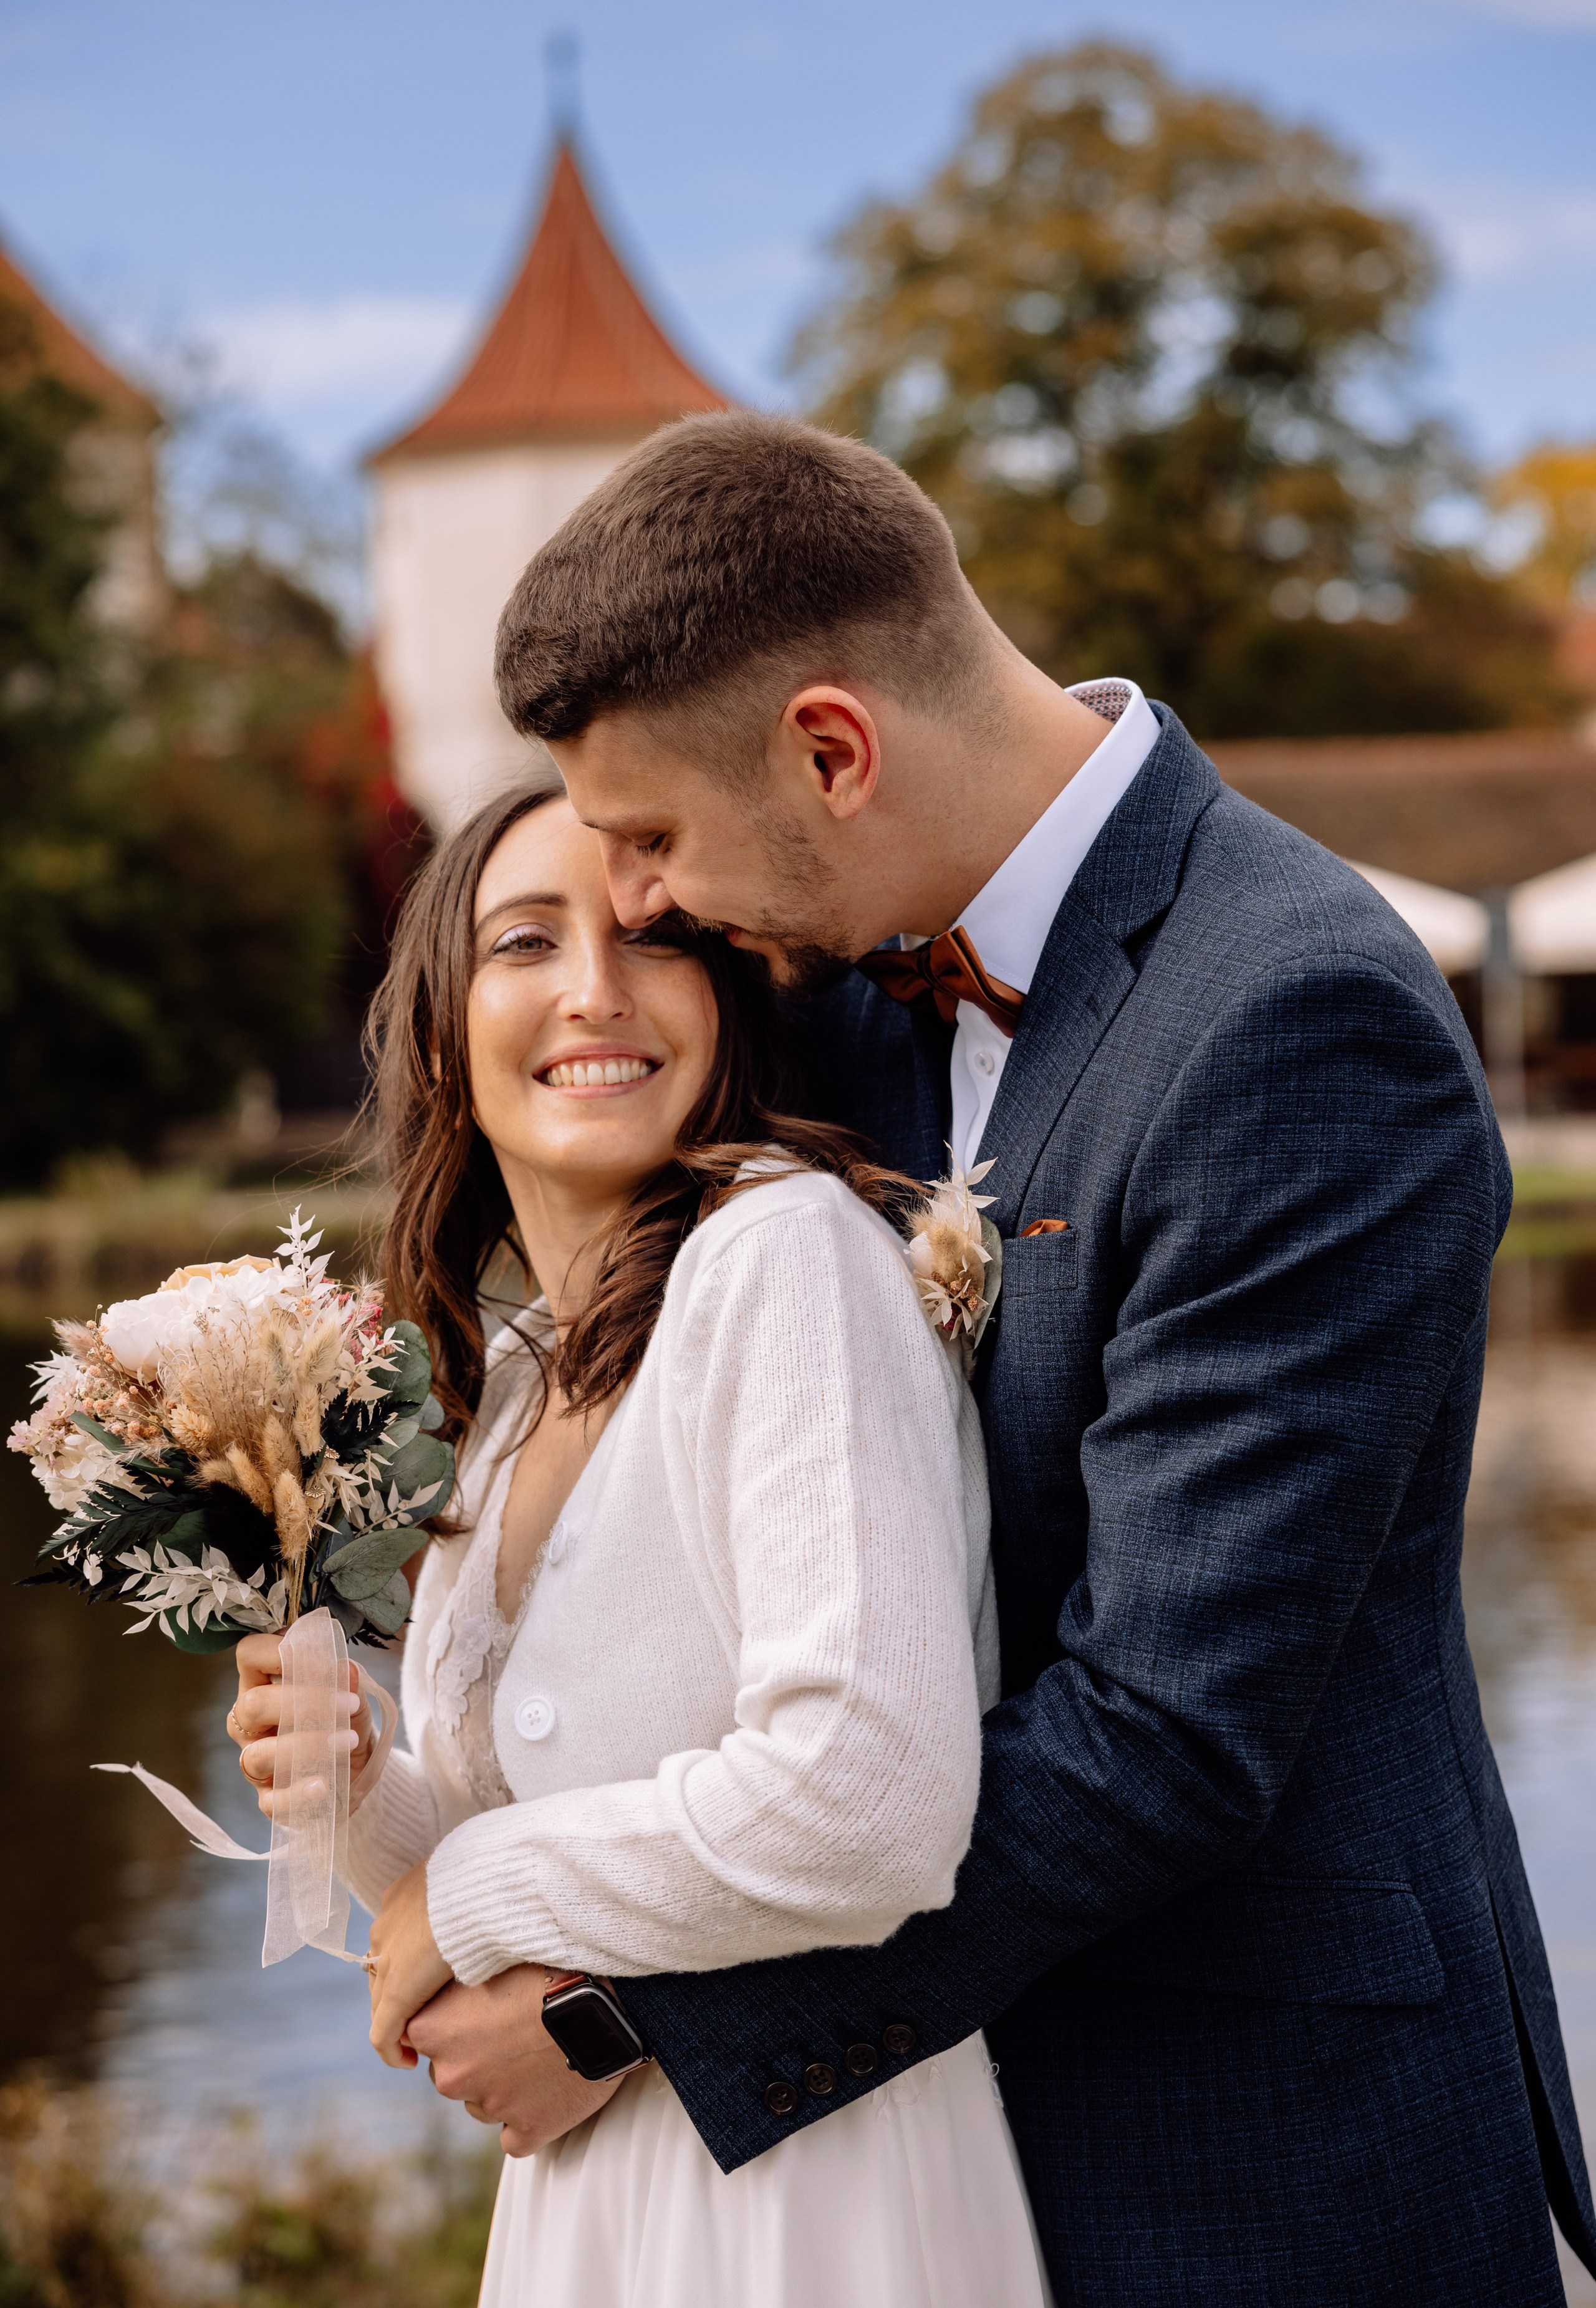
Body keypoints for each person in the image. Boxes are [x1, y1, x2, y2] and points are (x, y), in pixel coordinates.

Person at [402, 411, 1596, 2306]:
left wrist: (629, 2008)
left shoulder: (1293, 1014)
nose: (641, 904)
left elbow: (1167, 1731)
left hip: (1252, 2139)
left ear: (829, 749)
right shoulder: (828, 982)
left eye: (649, 836)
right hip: (912, 2169)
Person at [228, 781, 1055, 2307]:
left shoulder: (783, 1249)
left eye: (652, 940)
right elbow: (557, 1845)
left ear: (725, 1006)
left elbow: (866, 1797)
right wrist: (358, 1791)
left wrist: (465, 1889)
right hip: (595, 2197)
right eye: (525, 941)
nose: (594, 989)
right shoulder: (520, 1371)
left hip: (812, 2189)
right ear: (437, 1028)